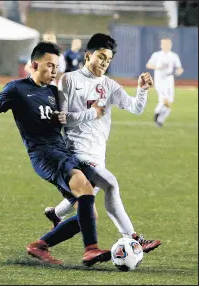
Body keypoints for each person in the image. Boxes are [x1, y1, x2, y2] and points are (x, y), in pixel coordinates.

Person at [0, 41, 116, 267]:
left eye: (57, 66)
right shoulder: (16, 89)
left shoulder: (55, 92)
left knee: (88, 213)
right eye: (50, 65)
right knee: (85, 189)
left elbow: (70, 117)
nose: (54, 71)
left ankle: (40, 245)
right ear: (35, 64)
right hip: (44, 154)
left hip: (62, 152)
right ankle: (90, 250)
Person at [43, 33, 161, 254]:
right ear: (88, 55)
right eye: (101, 57)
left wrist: (142, 90)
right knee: (111, 185)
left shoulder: (110, 85)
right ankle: (133, 238)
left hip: (98, 153)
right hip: (76, 152)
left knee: (89, 194)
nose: (105, 63)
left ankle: (55, 216)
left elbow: (135, 107)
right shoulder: (69, 80)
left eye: (108, 60)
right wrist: (91, 113)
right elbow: (62, 117)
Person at [146, 37, 184, 127]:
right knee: (165, 99)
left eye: (169, 44)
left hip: (169, 80)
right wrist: (157, 67)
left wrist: (179, 71)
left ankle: (160, 120)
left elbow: (179, 68)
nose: (167, 45)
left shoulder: (174, 56)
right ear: (161, 45)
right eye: (165, 44)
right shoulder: (156, 55)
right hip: (160, 80)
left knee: (169, 101)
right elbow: (148, 65)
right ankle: (157, 113)